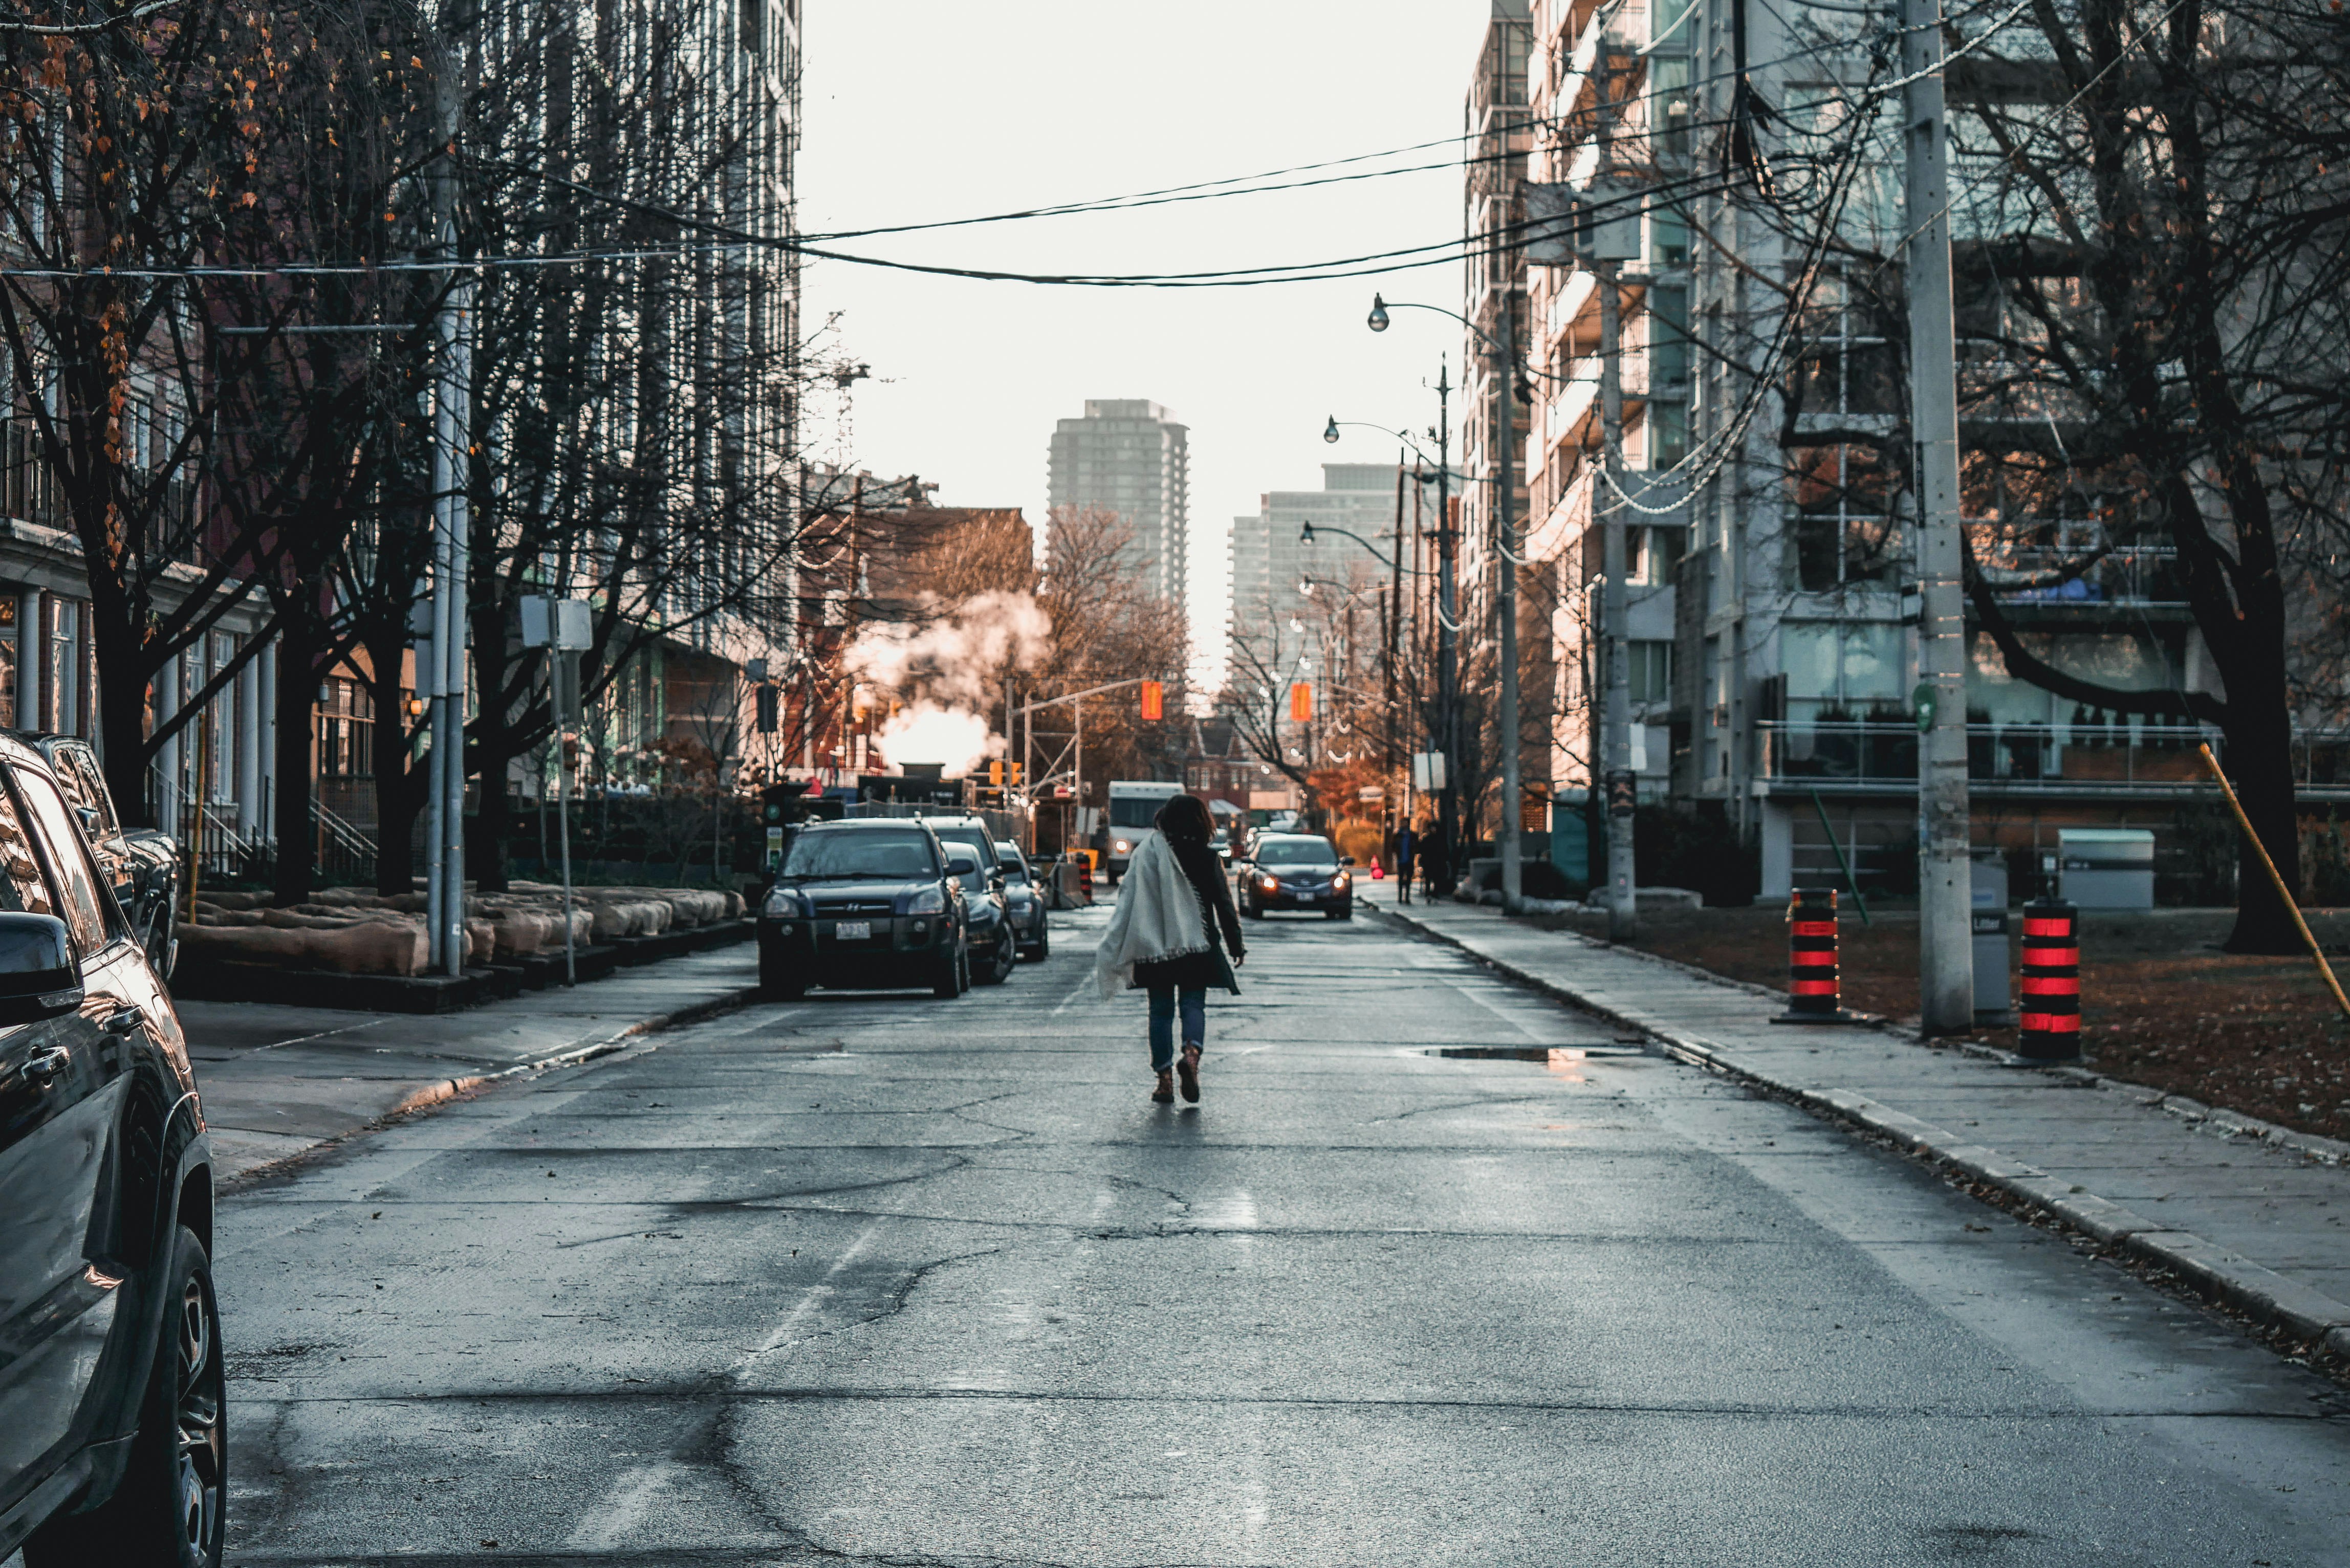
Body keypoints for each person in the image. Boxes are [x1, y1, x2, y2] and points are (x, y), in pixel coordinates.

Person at [1093, 792, 1246, 1104]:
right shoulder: (1207, 858)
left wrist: (1121, 942)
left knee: (1160, 1012)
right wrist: (1235, 944)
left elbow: (1129, 901)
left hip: (1156, 945)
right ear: (1203, 822)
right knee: (1193, 1005)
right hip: (1197, 945)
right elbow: (1224, 904)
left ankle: (1164, 1081)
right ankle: (1191, 1055)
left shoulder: (1147, 855)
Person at [1394, 820, 1418, 905]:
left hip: (1410, 860)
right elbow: (1393, 846)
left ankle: (1407, 898)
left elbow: (1416, 846)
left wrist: (1414, 853)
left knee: (1408, 880)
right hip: (1401, 860)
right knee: (1400, 880)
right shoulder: (1398, 835)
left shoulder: (1413, 835)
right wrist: (1397, 853)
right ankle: (1400, 898)